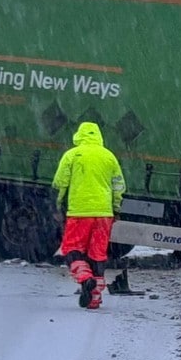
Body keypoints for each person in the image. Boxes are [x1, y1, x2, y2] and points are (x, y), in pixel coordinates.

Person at [52, 121, 126, 309]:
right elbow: (119, 186)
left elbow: (60, 183)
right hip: (104, 214)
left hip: (79, 212)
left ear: (79, 135)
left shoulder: (72, 155)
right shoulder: (109, 156)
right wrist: (116, 208)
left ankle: (85, 278)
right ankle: (94, 299)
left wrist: (57, 205)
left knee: (72, 249)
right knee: (97, 254)